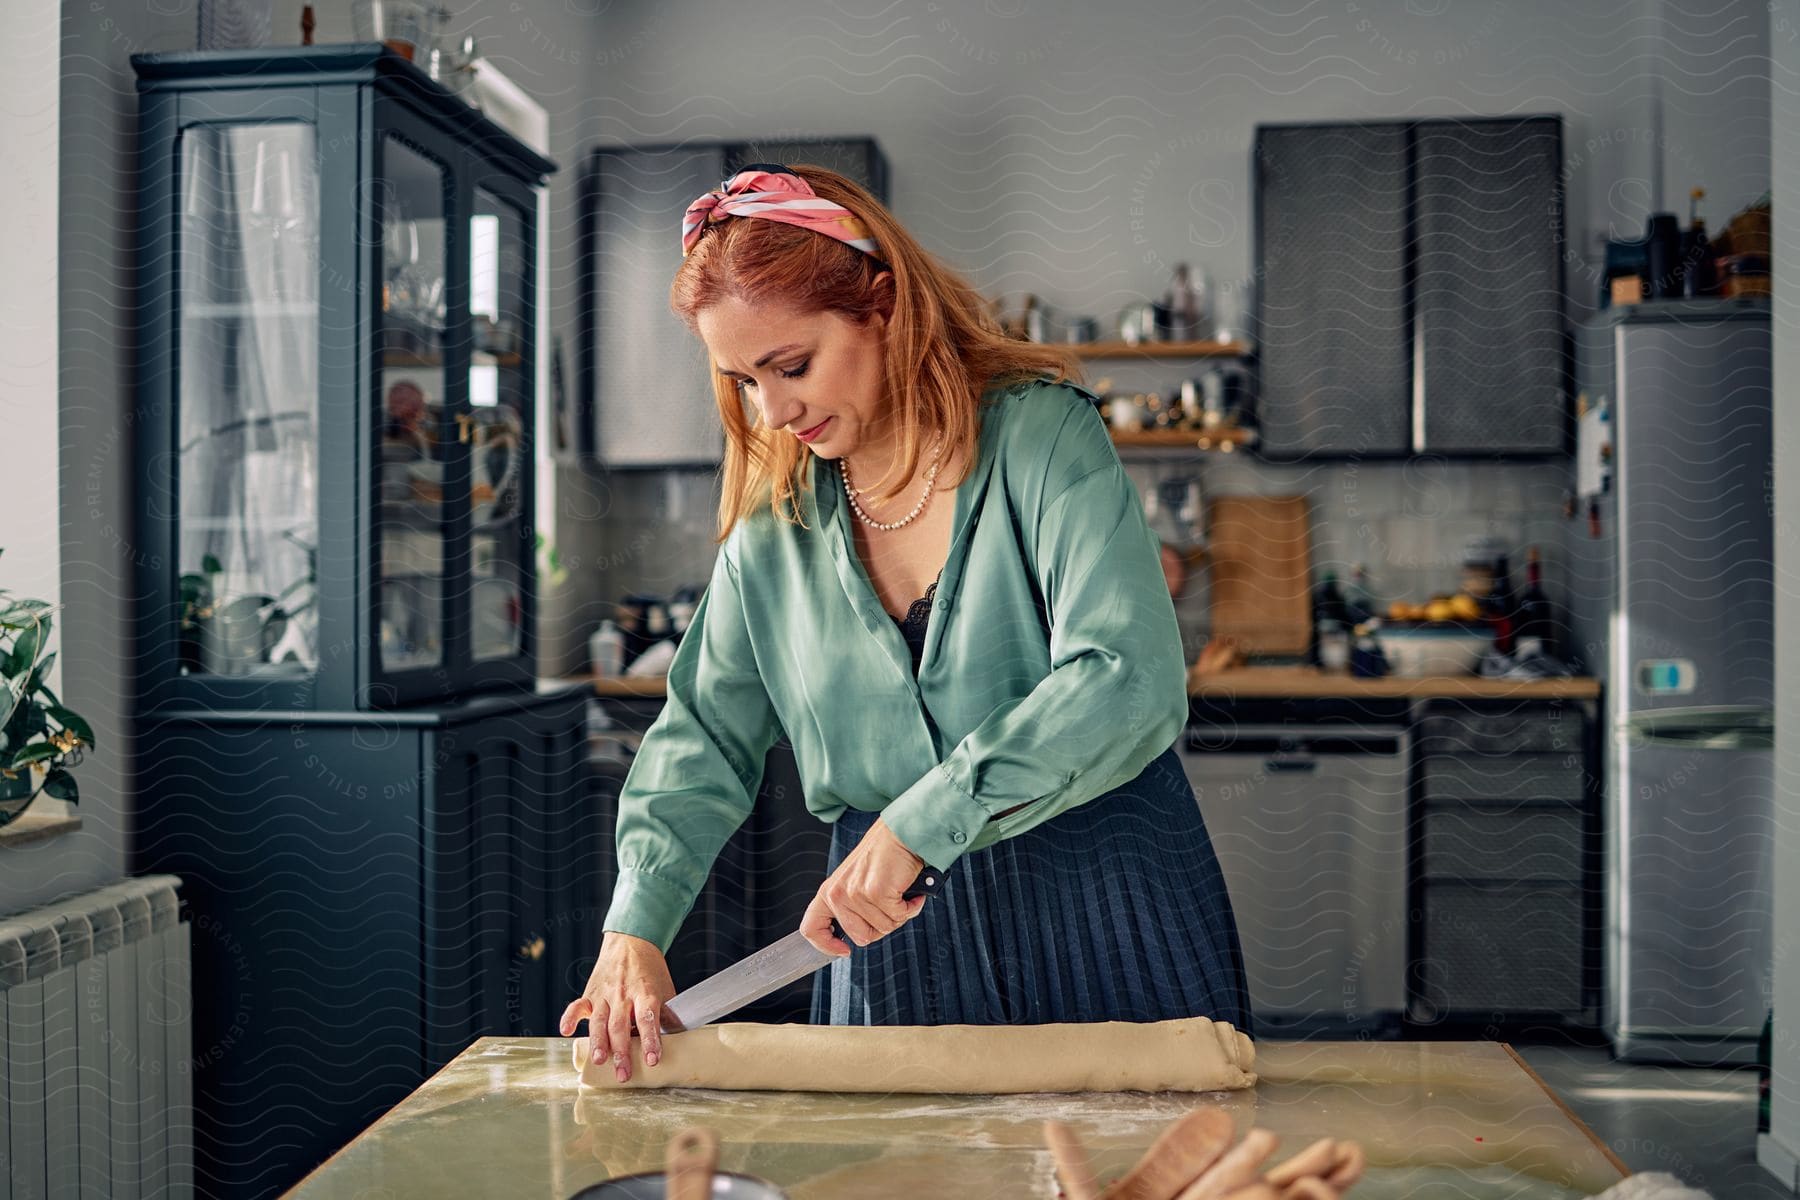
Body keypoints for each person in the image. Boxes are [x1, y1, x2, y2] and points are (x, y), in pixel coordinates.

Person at [559, 163, 1250, 1084]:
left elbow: (1125, 674)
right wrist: (633, 926)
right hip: (888, 923)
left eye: (792, 366)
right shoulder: (774, 516)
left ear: (880, 305)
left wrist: (929, 817)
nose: (774, 410)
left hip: (1107, 882)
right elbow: (704, 735)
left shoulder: (1039, 438)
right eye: (743, 380)